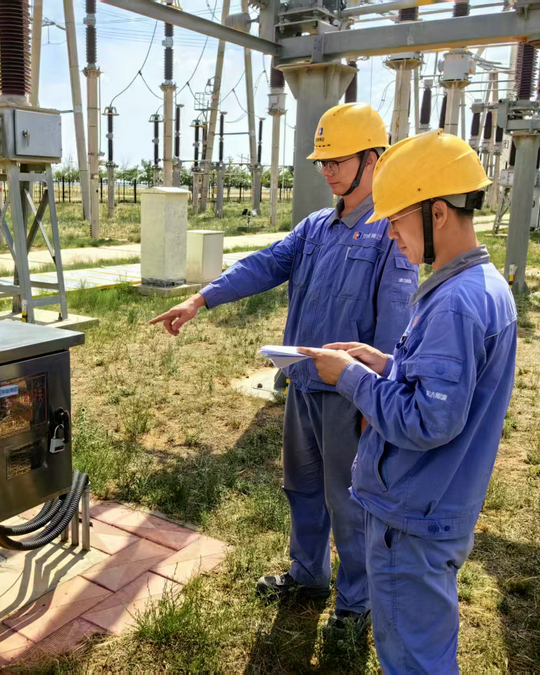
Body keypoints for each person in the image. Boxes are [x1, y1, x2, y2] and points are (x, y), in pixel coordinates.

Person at [150, 103, 418, 631]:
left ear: (372, 159)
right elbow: (266, 264)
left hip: (350, 395)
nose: (327, 171)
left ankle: (356, 604)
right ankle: (308, 574)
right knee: (303, 487)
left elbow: (394, 323)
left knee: (350, 501)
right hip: (303, 385)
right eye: (323, 162)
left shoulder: (390, 233)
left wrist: (379, 402)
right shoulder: (316, 227)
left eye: (338, 160)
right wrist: (201, 299)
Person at [299, 129, 518, 673]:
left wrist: (351, 378)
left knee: (412, 659)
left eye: (396, 221)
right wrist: (385, 365)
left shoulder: (455, 303)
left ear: (436, 213)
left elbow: (427, 420)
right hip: (436, 505)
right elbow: (443, 390)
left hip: (413, 517)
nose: (391, 235)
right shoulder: (481, 286)